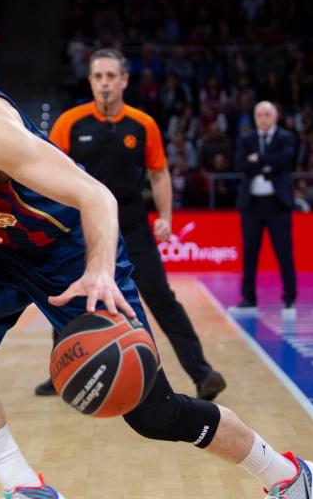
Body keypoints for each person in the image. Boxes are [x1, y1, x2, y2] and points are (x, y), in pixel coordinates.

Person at [0, 30, 313, 499]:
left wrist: (98, 269)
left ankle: (285, 474)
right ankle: (25, 488)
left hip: (68, 250)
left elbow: (97, 196)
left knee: (153, 412)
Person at [35, 48, 225, 402]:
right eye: (98, 77)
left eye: (111, 76)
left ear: (124, 80)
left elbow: (159, 172)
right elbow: (50, 171)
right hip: (82, 225)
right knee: (70, 297)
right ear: (90, 81)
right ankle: (60, 374)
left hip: (132, 222)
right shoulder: (70, 122)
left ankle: (202, 373)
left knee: (160, 297)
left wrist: (166, 216)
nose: (104, 83)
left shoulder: (143, 124)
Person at [234, 101, 298, 312]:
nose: (263, 118)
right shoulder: (246, 138)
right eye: (259, 115)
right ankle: (248, 297)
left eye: (267, 114)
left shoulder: (285, 137)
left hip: (277, 204)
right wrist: (269, 163)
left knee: (283, 251)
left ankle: (289, 297)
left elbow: (286, 160)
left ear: (275, 116)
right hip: (252, 204)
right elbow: (240, 164)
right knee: (250, 252)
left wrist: (259, 159)